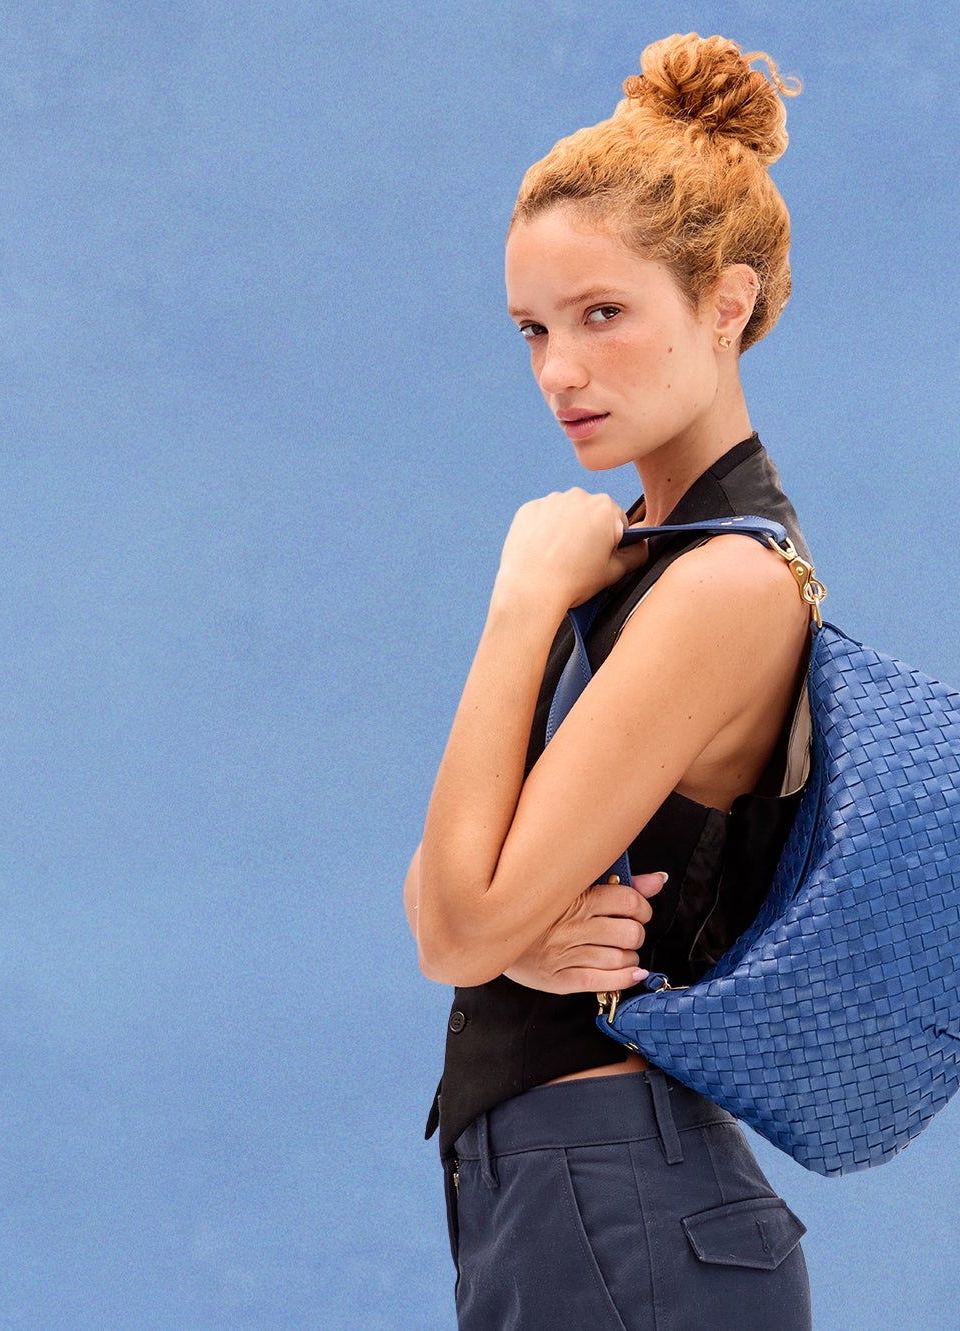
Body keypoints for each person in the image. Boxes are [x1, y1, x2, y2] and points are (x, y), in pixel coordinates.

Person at [400, 31, 820, 1331]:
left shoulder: (723, 585)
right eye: (534, 329)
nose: (559, 373)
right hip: (575, 1196)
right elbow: (448, 900)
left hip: (616, 1195)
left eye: (602, 315)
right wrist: (507, 938)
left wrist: (519, 600)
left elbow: (451, 928)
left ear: (726, 305)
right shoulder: (644, 564)